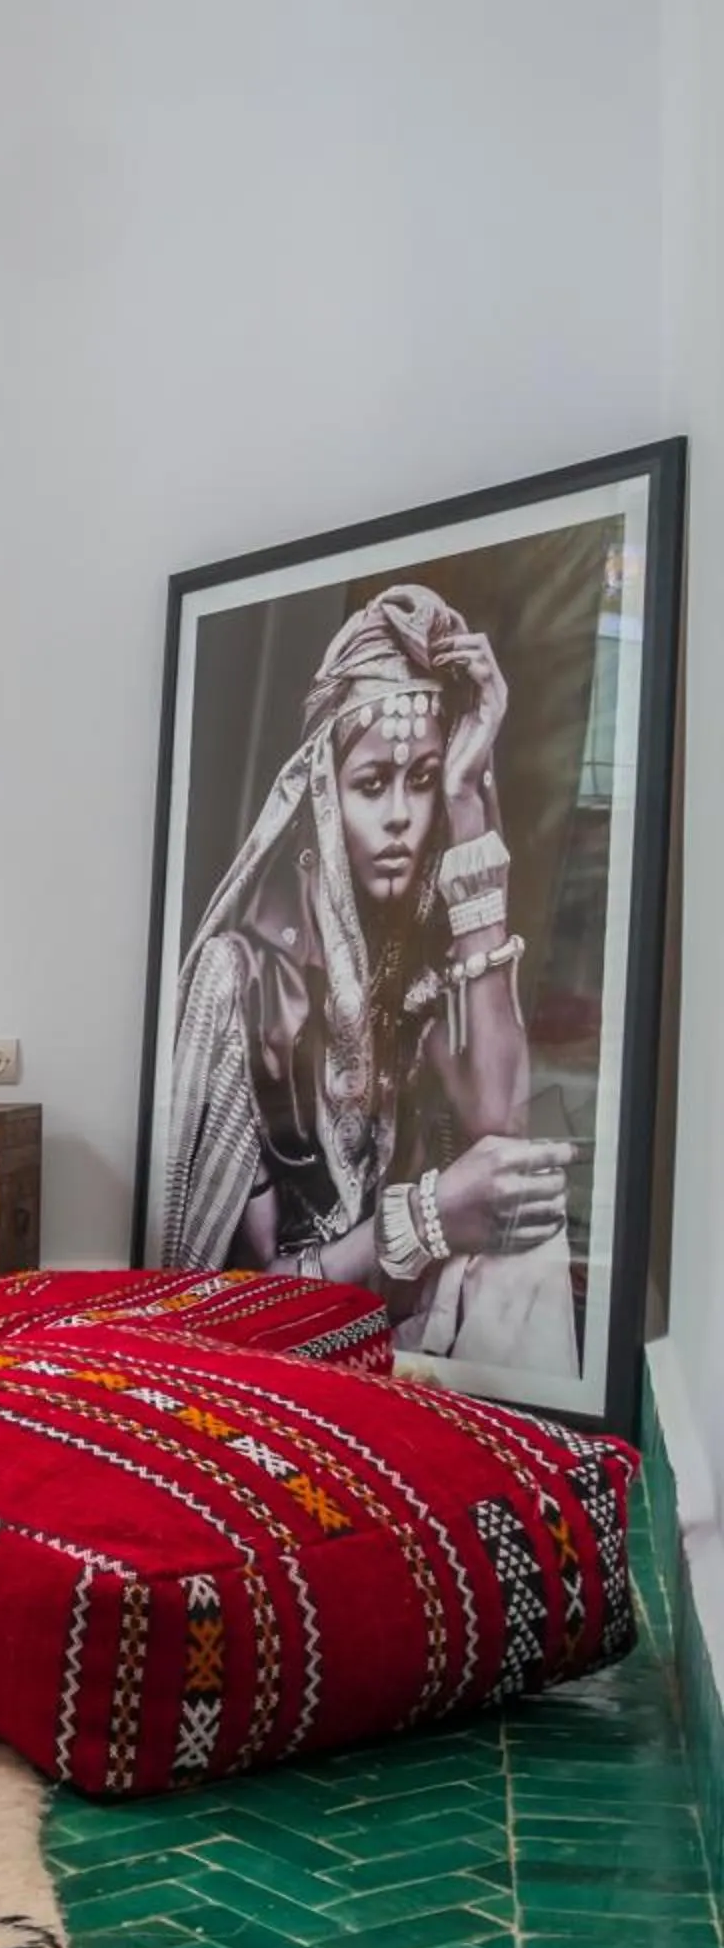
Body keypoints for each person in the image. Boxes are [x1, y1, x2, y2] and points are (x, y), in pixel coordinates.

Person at [160, 581, 579, 1381]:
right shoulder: (243, 980)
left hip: (393, 1326)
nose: (398, 817)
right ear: (324, 794)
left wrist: (466, 802)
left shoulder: (416, 962)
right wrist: (423, 1220)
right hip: (282, 1351)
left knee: (529, 1249)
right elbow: (220, 1307)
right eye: (371, 783)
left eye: (419, 781)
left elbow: (500, 1117)